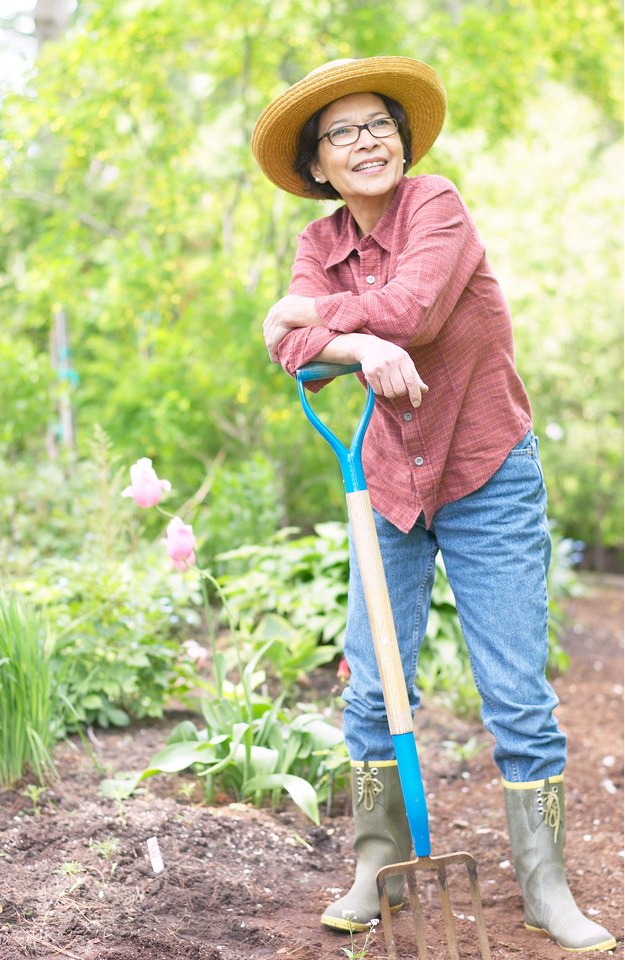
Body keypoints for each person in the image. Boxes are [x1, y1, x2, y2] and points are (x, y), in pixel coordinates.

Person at [251, 56, 616, 952]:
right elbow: (290, 356)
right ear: (318, 168)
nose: (364, 141)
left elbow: (407, 312)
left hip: (488, 471)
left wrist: (321, 319)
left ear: (403, 142)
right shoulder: (320, 243)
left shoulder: (438, 205)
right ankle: (377, 865)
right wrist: (346, 338)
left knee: (515, 692)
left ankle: (544, 885)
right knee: (373, 686)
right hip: (387, 481)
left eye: (378, 124)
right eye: (340, 134)